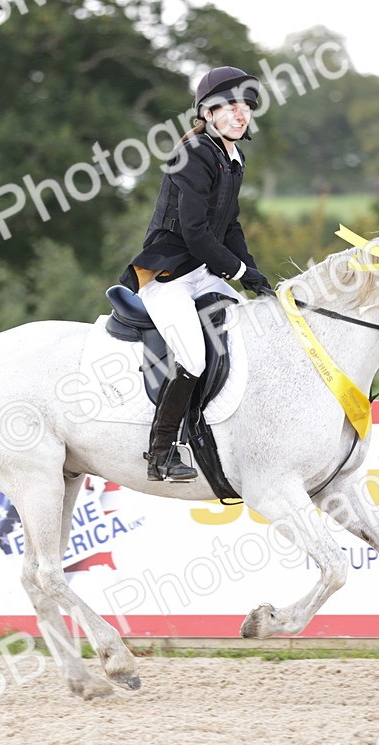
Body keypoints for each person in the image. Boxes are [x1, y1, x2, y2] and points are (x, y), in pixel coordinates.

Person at [118, 66, 273, 483]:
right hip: (166, 275)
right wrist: (238, 270)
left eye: (248, 107)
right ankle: (161, 452)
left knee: (255, 328)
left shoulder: (232, 157)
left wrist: (253, 273)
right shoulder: (194, 153)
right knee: (192, 354)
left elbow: (231, 226)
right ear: (208, 110)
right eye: (232, 106)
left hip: (202, 271)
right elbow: (195, 231)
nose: (242, 115)